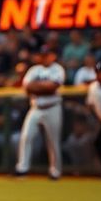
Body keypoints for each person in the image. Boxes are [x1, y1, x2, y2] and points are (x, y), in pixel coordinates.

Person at [15, 47, 66, 180]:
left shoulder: (57, 69)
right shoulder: (34, 69)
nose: (43, 57)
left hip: (52, 107)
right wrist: (43, 86)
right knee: (26, 136)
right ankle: (22, 169)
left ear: (52, 56)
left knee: (53, 141)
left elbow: (53, 87)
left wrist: (37, 87)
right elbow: (27, 87)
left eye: (46, 55)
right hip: (36, 108)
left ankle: (55, 171)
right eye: (42, 55)